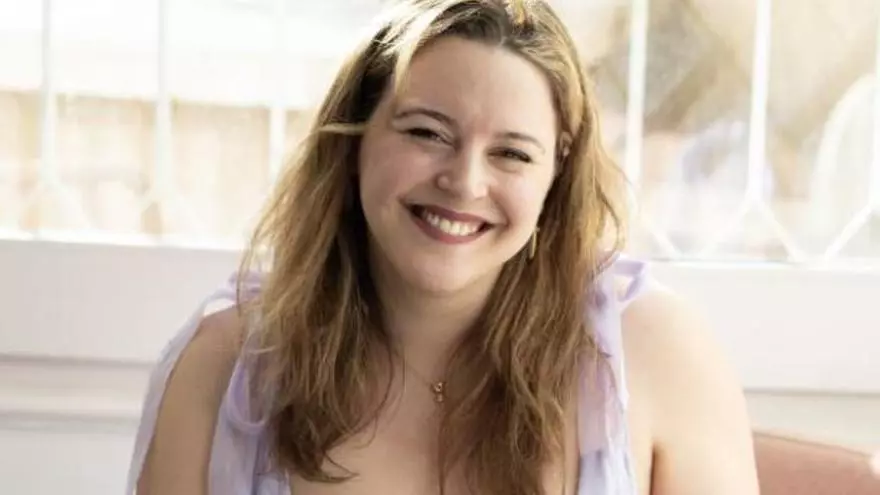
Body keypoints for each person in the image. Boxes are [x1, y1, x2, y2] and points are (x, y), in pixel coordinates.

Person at [127, 1, 759, 494]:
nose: (464, 182)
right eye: (427, 133)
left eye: (512, 153)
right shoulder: (222, 365)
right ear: (353, 142)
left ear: (555, 178)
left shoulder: (656, 353)